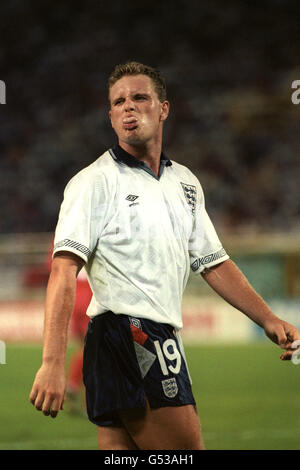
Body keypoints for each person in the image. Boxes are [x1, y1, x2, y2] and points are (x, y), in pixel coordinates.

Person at [29, 61, 300, 450]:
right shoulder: (93, 183)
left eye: (140, 97)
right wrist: (53, 363)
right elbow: (63, 270)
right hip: (131, 333)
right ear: (110, 115)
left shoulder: (185, 183)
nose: (128, 107)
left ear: (164, 109)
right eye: (118, 101)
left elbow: (213, 262)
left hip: (136, 338)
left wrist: (267, 317)